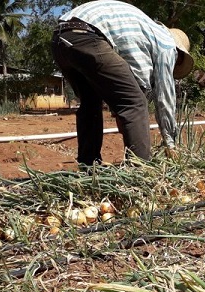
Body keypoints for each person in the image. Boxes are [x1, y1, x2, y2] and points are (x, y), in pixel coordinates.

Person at [51, 0, 194, 167]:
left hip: (61, 38)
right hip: (88, 36)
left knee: (91, 103)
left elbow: (120, 85)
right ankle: (140, 170)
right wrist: (170, 142)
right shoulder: (167, 45)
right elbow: (164, 96)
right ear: (178, 53)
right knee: (136, 103)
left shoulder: (144, 33)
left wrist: (122, 113)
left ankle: (89, 166)